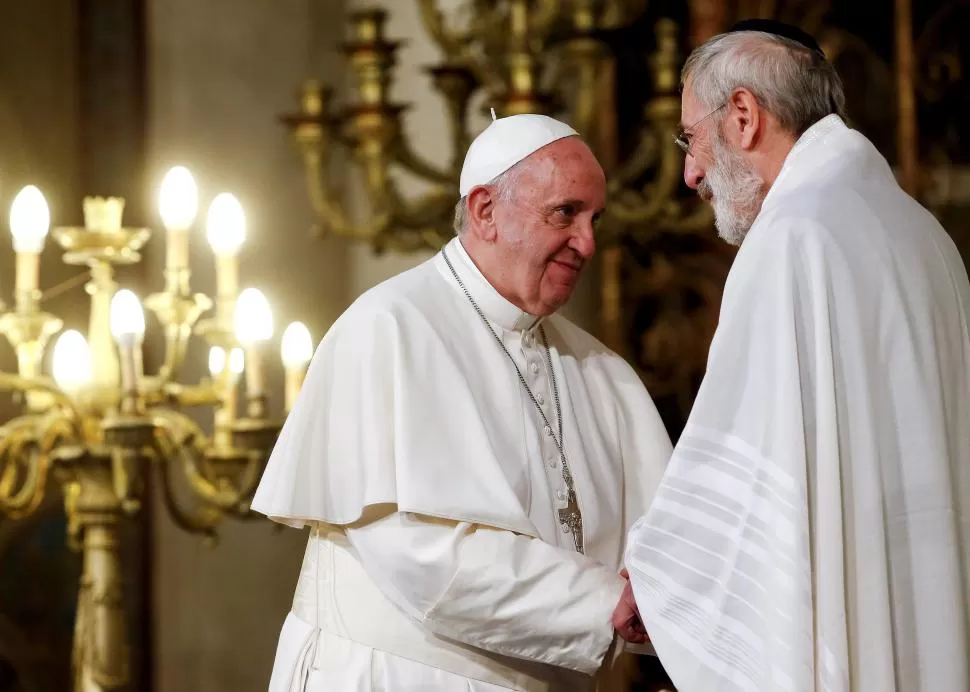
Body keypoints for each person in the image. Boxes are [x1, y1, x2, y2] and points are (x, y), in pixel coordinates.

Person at [252, 113, 673, 691]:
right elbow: (420, 554)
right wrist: (606, 604)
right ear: (484, 211)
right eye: (564, 213)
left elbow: (657, 545)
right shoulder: (388, 329)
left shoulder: (602, 372)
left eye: (594, 218)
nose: (588, 242)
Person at [616, 19, 970, 692]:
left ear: (743, 115)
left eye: (690, 137)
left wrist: (661, 577)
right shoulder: (925, 235)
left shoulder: (794, 236)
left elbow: (752, 466)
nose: (690, 172)